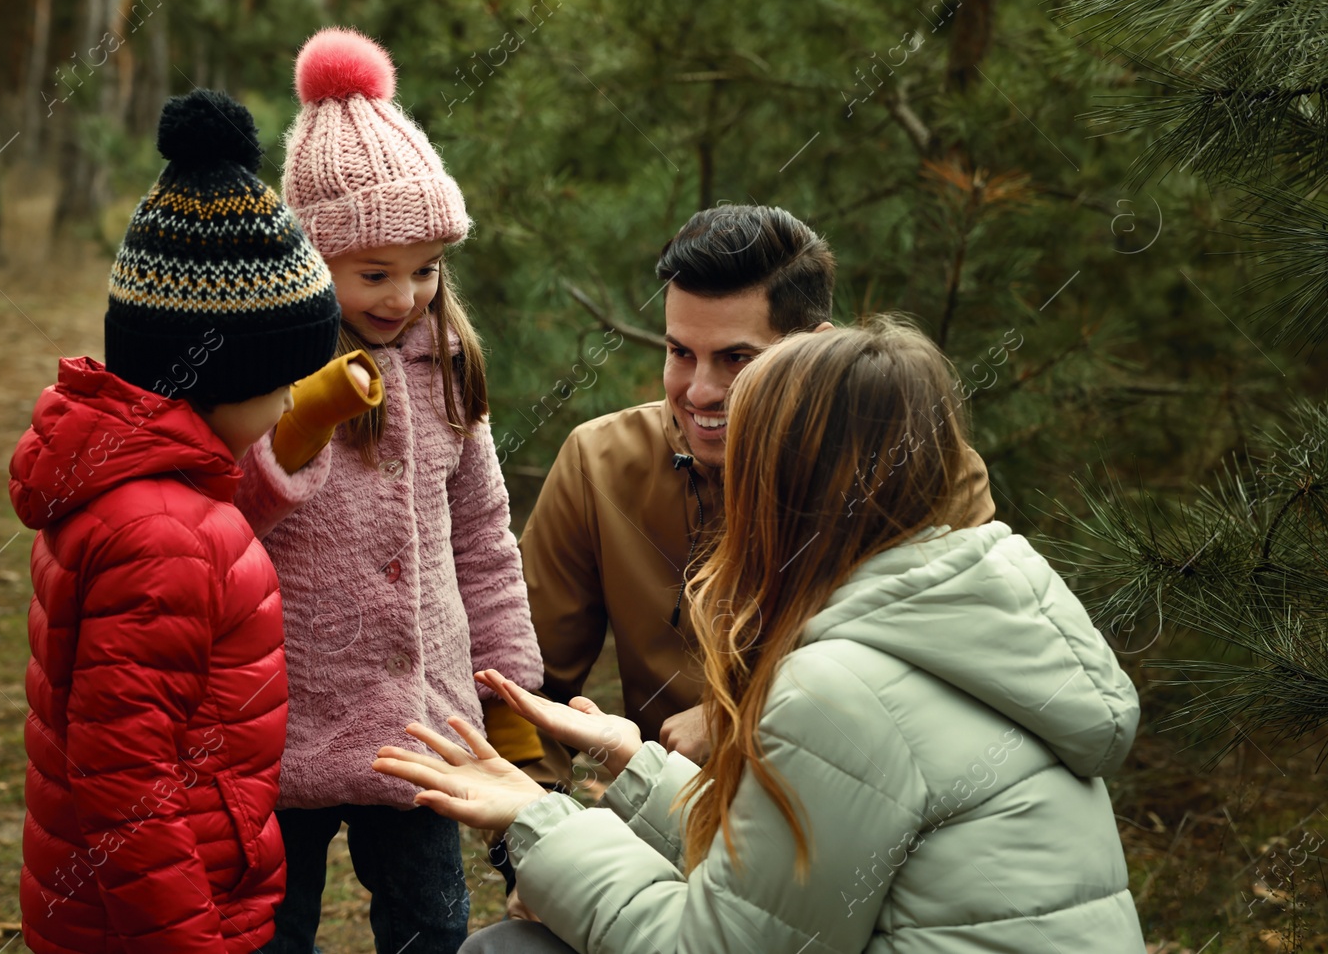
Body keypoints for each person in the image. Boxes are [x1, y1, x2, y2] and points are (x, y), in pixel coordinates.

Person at [375, 316, 1146, 954]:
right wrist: (636, 763)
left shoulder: (841, 690)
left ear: (790, 485)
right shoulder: (959, 619)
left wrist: (538, 822)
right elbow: (794, 872)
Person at [10, 89, 361, 953]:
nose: (289, 401)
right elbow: (126, 782)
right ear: (223, 376)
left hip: (128, 909)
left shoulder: (138, 487)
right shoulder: (166, 533)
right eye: (282, 381)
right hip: (153, 922)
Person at [233, 27, 543, 954]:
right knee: (268, 927)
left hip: (423, 720)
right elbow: (229, 512)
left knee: (430, 920)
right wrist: (300, 421)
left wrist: (511, 696)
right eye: (375, 271)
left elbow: (483, 535)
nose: (404, 295)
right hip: (284, 717)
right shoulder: (266, 368)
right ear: (310, 260)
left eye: (426, 269)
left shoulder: (448, 368)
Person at [516, 206, 996, 771]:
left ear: (815, 349)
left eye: (737, 359)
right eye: (680, 353)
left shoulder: (920, 471)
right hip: (667, 825)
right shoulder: (600, 462)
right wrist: (527, 830)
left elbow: (945, 675)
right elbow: (531, 683)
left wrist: (740, 713)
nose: (699, 391)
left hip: (862, 819)